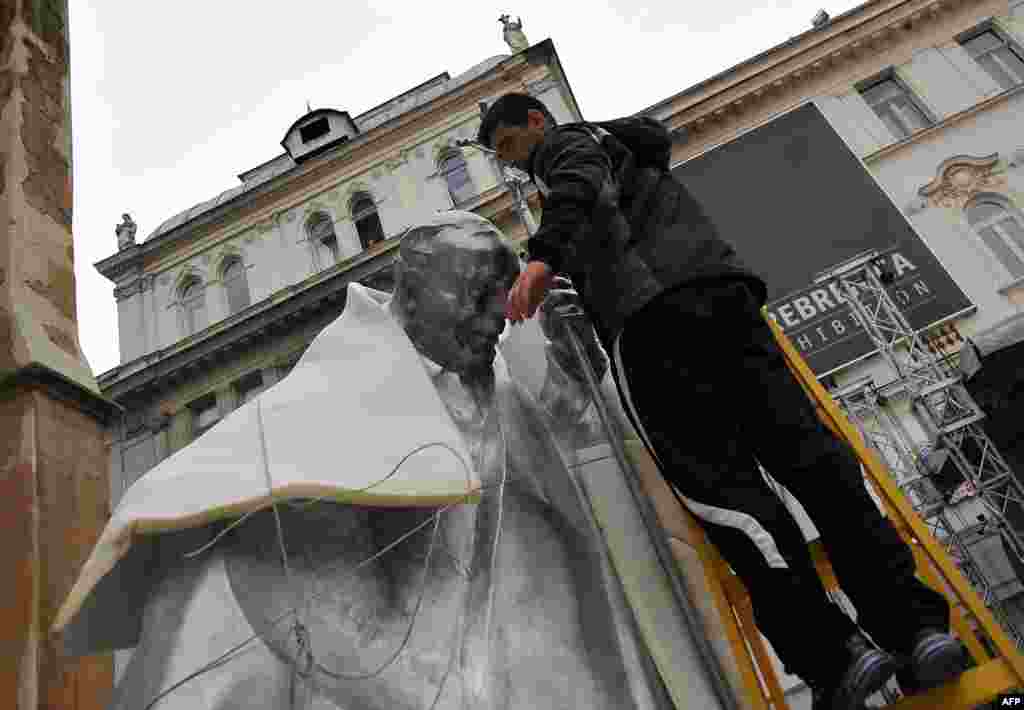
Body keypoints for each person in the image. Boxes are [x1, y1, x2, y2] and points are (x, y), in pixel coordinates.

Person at [53, 212, 712, 710]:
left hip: (523, 650)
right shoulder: (324, 401)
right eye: (478, 298)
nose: (497, 319)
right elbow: (308, 603)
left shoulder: (496, 378)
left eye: (501, 299)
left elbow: (561, 455)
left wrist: (578, 369)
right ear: (414, 295)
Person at [478, 93, 964, 709]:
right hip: (722, 298)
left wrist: (541, 263)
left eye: (508, 146)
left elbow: (577, 181)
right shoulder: (630, 154)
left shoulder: (568, 149)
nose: (513, 163)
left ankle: (836, 656)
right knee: (814, 464)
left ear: (536, 123)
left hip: (653, 327)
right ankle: (916, 630)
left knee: (729, 501)